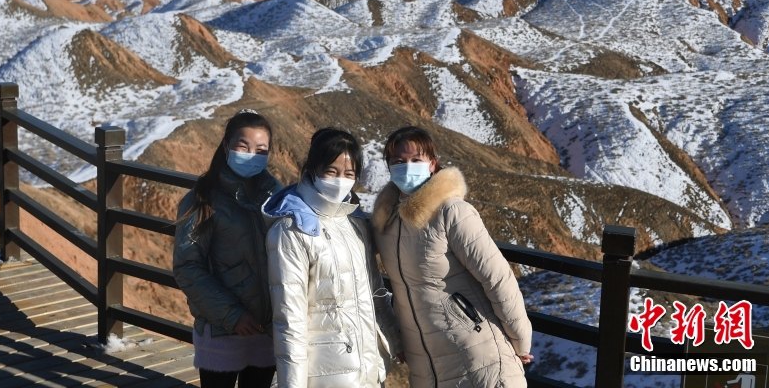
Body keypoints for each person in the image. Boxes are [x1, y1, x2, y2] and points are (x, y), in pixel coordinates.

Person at [372, 125, 533, 388]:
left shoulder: (452, 212)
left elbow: (498, 278)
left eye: (416, 160)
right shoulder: (386, 223)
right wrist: (399, 339)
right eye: (398, 161)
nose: (407, 167)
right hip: (426, 365)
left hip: (479, 354)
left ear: (432, 164)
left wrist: (520, 340)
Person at [263, 128, 401, 388]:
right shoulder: (292, 230)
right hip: (326, 375)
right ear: (313, 169)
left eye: (349, 174)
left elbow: (374, 292)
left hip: (367, 369)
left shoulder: (354, 223)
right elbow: (289, 322)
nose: (340, 180)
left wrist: (395, 340)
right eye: (331, 171)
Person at [173, 110, 281, 388]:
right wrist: (232, 315)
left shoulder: (276, 196)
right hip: (222, 327)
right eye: (243, 146)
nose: (251, 154)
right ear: (225, 146)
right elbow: (188, 267)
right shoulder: (203, 199)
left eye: (261, 150)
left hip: (265, 327)